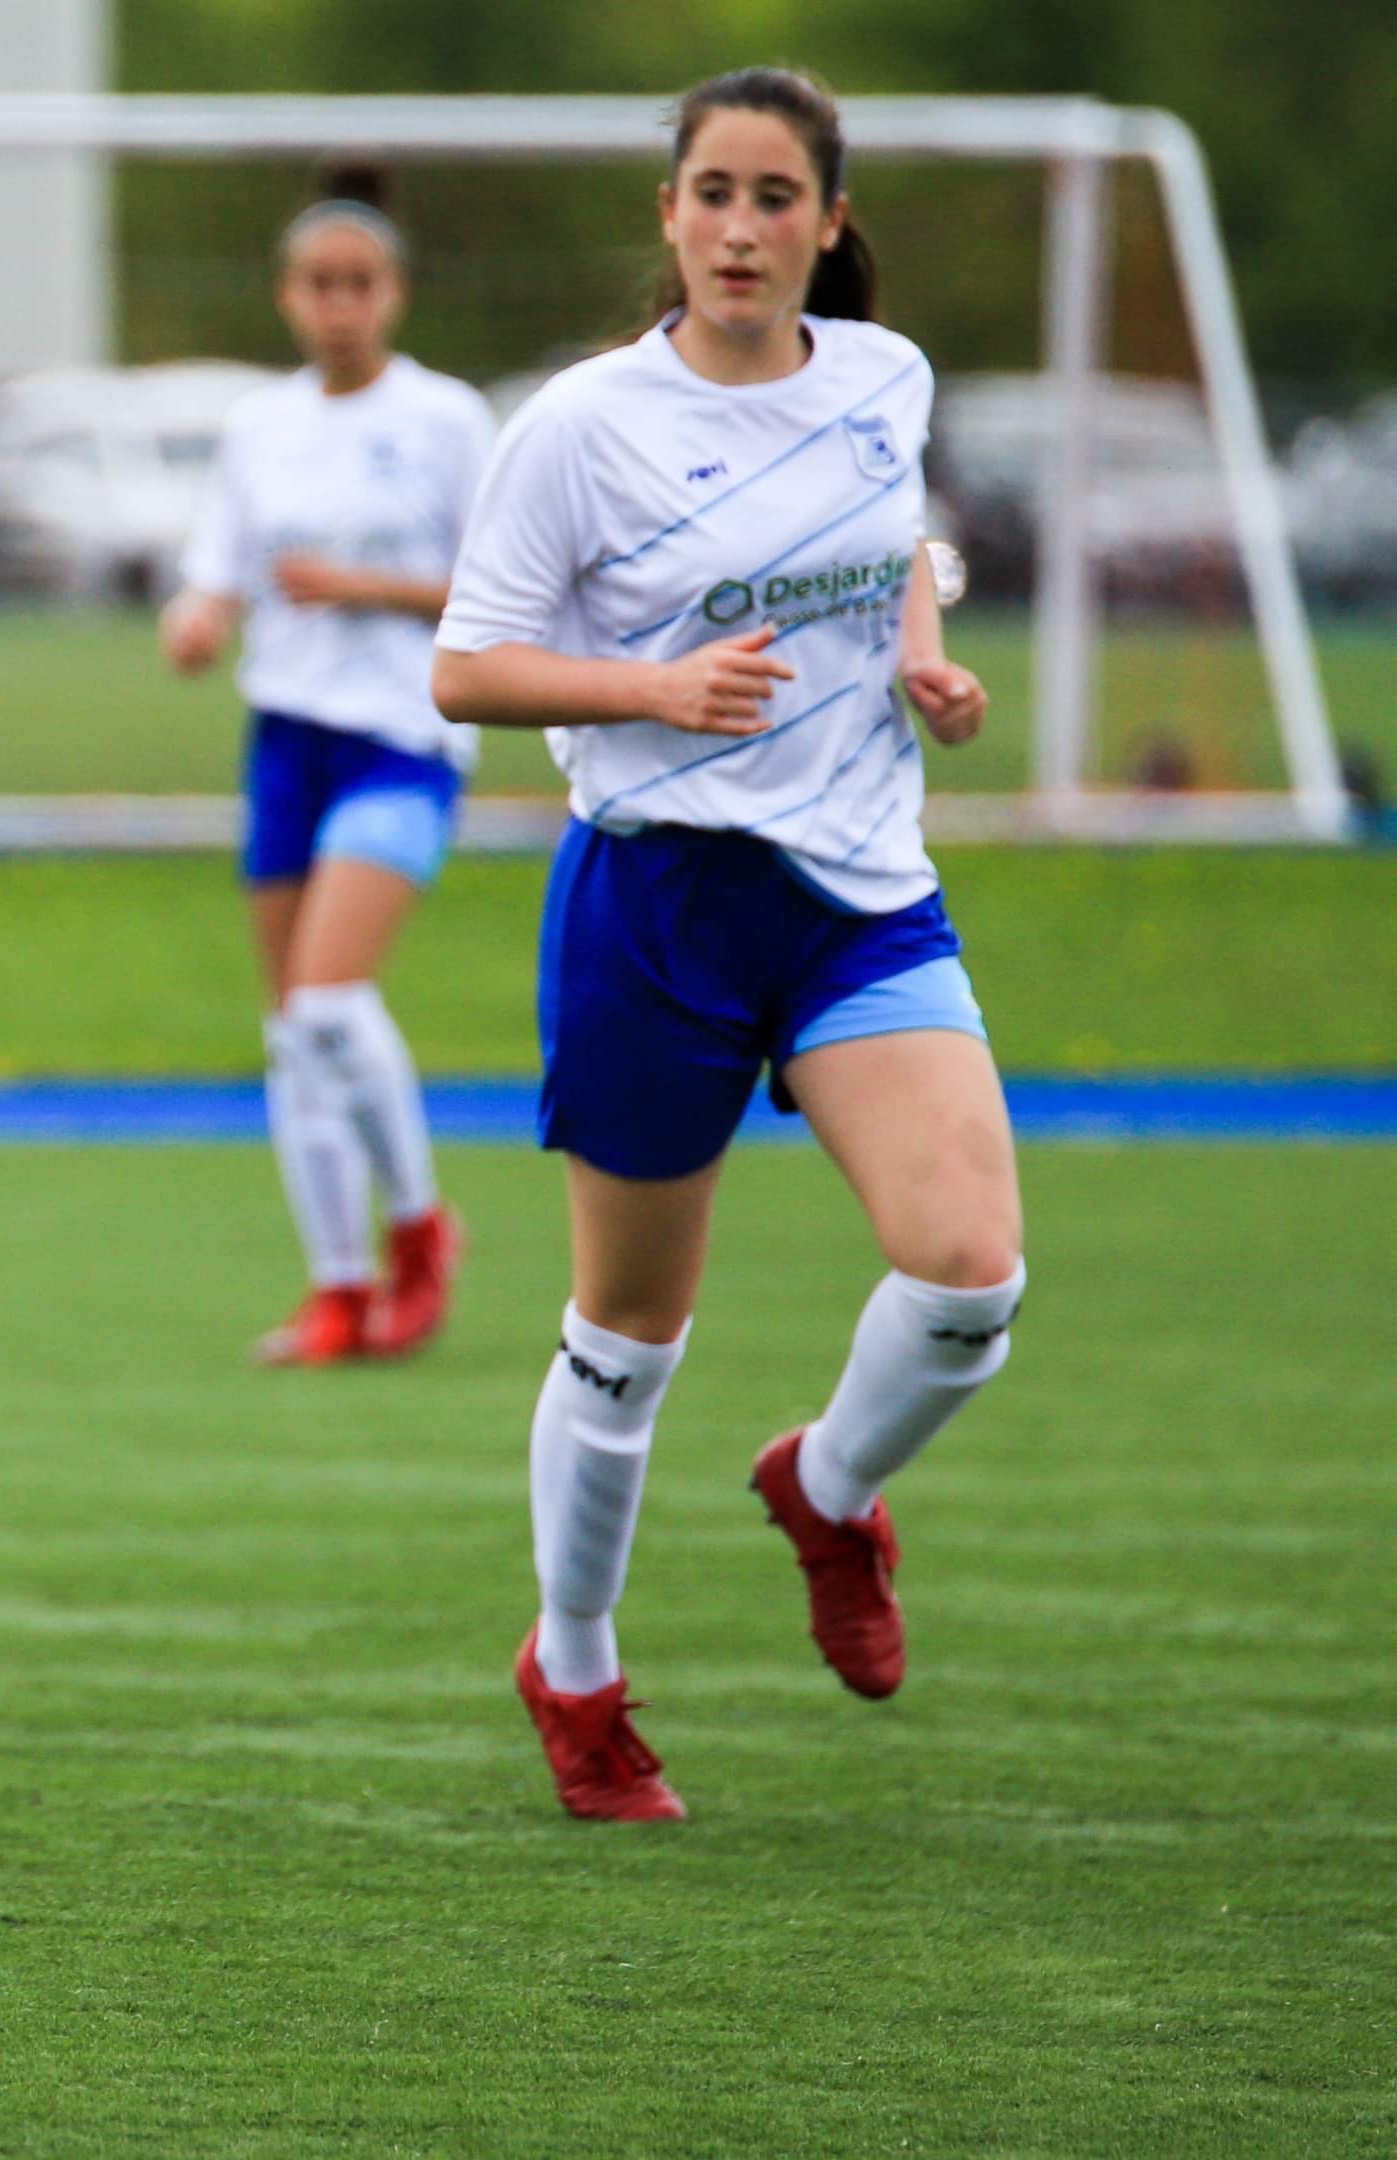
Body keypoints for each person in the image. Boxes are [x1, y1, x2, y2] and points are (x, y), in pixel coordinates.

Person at [431, 68, 1023, 1821]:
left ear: (829, 222)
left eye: (778, 198)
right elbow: (467, 667)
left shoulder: (883, 378)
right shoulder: (582, 425)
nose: (743, 230)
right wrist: (652, 689)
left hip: (858, 900)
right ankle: (580, 1663)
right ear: (670, 215)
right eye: (714, 194)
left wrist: (922, 650)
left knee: (971, 1275)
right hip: (658, 909)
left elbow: (894, 533)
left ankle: (830, 1490)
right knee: (627, 1332)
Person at [161, 164, 493, 1368]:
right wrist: (196, 619)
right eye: (318, 284)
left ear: (393, 294)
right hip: (289, 739)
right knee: (294, 1031)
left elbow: (506, 587)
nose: (339, 304)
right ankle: (337, 1289)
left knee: (333, 1001)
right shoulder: (261, 427)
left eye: (360, 283)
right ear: (287, 296)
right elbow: (217, 571)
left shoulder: (448, 420)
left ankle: (418, 1233)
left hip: (404, 740)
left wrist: (367, 589)